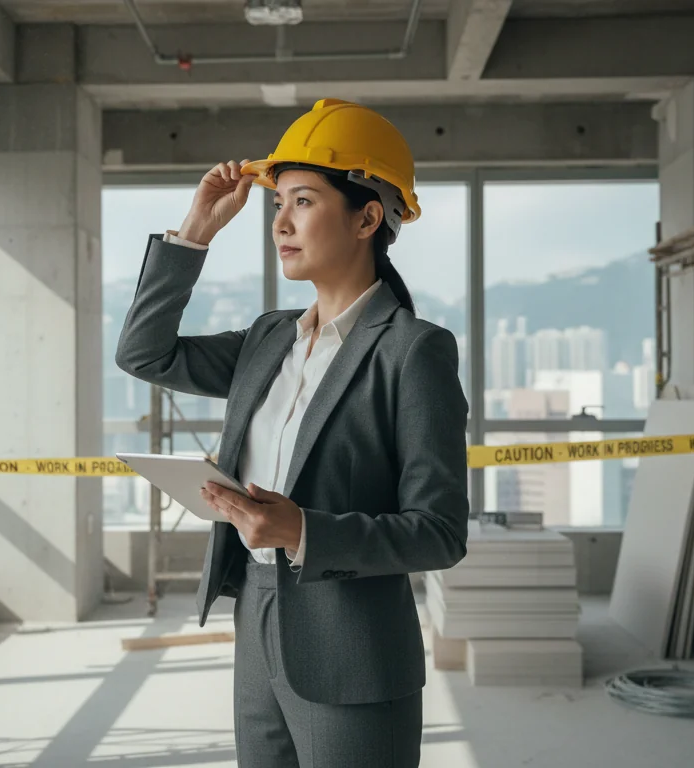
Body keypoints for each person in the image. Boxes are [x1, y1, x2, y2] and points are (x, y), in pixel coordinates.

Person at [115, 98, 469, 768]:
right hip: (257, 614)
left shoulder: (412, 351)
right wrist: (195, 230)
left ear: (367, 218)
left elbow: (440, 532)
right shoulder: (269, 337)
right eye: (277, 204)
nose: (280, 221)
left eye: (303, 201)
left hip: (353, 649)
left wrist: (301, 530)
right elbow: (143, 355)